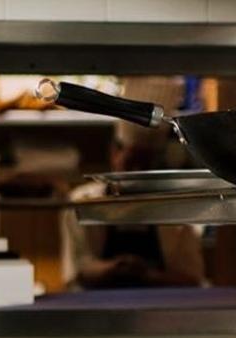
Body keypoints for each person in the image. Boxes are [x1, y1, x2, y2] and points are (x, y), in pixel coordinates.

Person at [59, 77, 207, 291]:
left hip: (163, 313)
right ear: (114, 153)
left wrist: (148, 275)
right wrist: (114, 268)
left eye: (144, 162)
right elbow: (75, 274)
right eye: (130, 162)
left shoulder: (175, 208)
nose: (136, 170)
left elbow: (192, 278)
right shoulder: (82, 203)